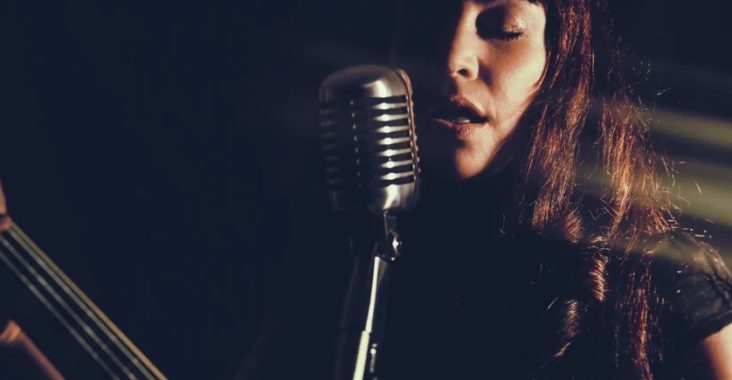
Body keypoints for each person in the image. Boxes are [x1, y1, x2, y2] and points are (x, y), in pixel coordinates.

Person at [238, 0, 732, 379]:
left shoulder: (662, 280)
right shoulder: (341, 261)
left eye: (503, 30)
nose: (453, 57)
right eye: (426, 23)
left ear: (560, 62)